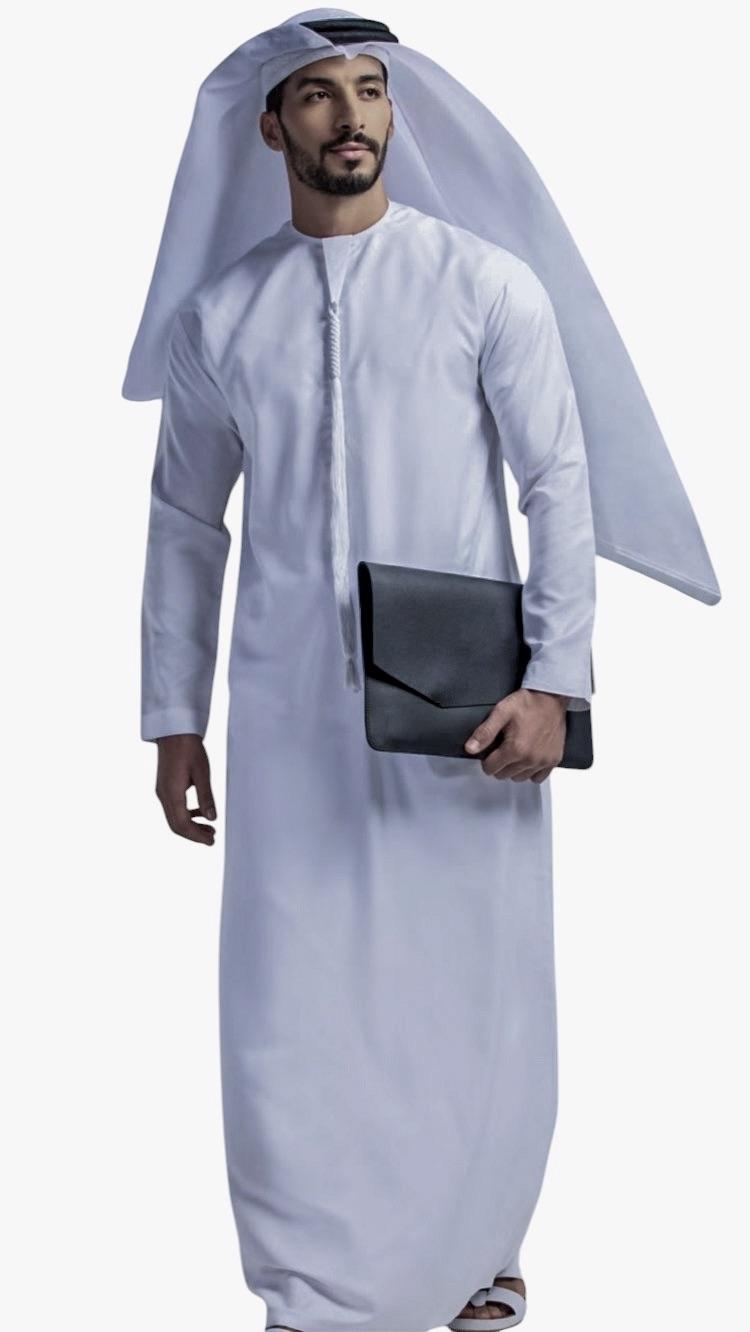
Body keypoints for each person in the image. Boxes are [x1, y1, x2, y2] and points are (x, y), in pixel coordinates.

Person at [127, 12, 720, 1331]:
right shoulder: (221, 317)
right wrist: (174, 720)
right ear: (271, 127)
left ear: (394, 114)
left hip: (465, 711)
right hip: (284, 710)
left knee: (466, 980)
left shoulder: (481, 284)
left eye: (371, 90)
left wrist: (554, 682)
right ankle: (309, 1287)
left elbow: (556, 485)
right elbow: (184, 524)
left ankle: (476, 1259)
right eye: (318, 94)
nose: (351, 115)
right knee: (288, 998)